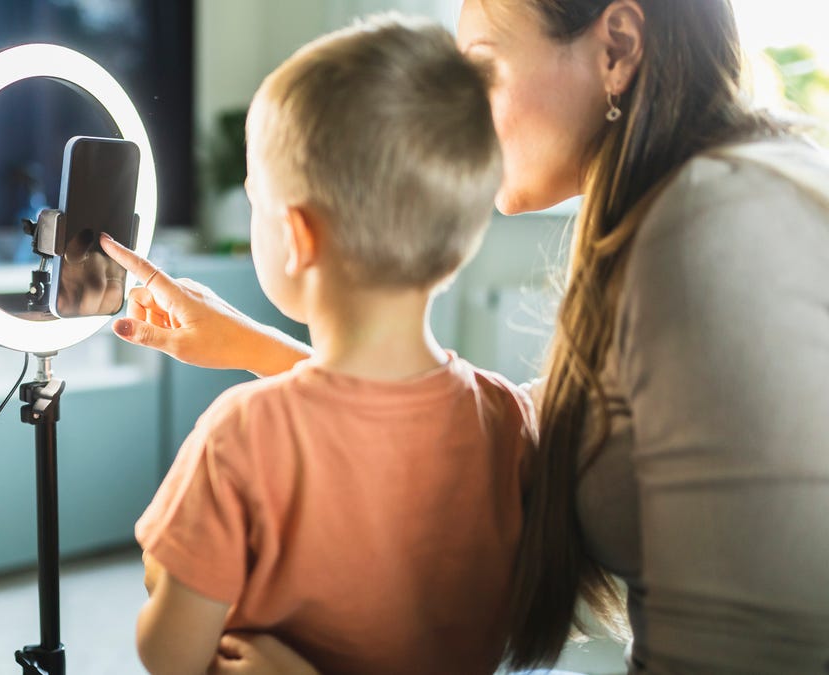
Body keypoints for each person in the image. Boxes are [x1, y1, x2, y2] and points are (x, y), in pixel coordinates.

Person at [103, 0, 829, 672]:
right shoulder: (682, 218)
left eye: (480, 68)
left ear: (617, 47)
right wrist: (253, 347)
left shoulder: (715, 232)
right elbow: (489, 439)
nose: (459, 117)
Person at [129, 15, 536, 675]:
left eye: (254, 200)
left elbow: (169, 654)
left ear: (297, 236)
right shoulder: (506, 418)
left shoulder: (240, 434)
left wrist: (166, 568)